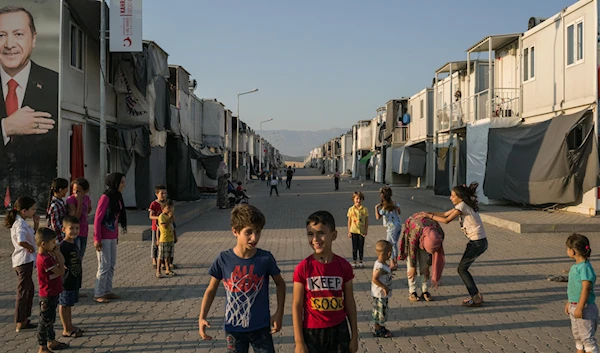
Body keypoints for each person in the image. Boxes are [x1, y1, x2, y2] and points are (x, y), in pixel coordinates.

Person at [199, 205, 286, 353]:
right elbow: (211, 289)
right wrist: (202, 317)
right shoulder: (223, 259)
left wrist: (279, 313)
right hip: (234, 329)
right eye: (249, 232)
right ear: (235, 231)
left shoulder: (265, 258)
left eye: (258, 232)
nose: (254, 237)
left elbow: (280, 284)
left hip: (261, 327)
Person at [0, 7, 59, 215]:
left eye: (18, 34)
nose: (9, 45)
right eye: (1, 35)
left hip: (36, 202)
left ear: (33, 39)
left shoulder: (56, 85)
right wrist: (5, 127)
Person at [292, 210, 358, 353]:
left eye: (321, 233)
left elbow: (350, 302)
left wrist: (355, 336)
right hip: (312, 332)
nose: (315, 239)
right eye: (310, 234)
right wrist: (299, 342)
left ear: (333, 235)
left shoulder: (343, 266)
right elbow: (297, 305)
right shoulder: (303, 268)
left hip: (339, 330)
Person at [422, 182, 487, 307]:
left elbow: (446, 220)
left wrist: (430, 216)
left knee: (462, 269)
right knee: (463, 268)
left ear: (460, 197)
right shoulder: (463, 204)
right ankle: (476, 295)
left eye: (452, 196)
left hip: (477, 243)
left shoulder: (462, 205)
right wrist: (428, 213)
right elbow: (445, 214)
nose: (450, 198)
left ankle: (476, 297)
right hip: (477, 242)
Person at [93, 173, 127, 304]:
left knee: (111, 264)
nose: (124, 185)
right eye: (122, 182)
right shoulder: (105, 197)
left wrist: (117, 236)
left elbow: (117, 218)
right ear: (115, 183)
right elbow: (97, 219)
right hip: (104, 237)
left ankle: (107, 290)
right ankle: (98, 293)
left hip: (112, 236)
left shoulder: (117, 197)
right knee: (104, 265)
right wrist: (97, 238)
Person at [6, 196, 38, 332]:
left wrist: (36, 224)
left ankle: (25, 318)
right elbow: (21, 240)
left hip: (26, 260)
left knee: (29, 289)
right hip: (23, 260)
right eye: (33, 209)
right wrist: (28, 247)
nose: (34, 212)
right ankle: (20, 320)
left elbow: (32, 235)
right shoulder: (19, 224)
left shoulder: (23, 222)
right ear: (24, 211)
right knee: (24, 291)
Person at [35, 227, 69, 352]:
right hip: (47, 294)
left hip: (53, 292)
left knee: (50, 320)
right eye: (53, 242)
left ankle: (51, 341)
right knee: (44, 321)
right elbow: (61, 271)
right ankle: (42, 346)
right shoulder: (45, 259)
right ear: (44, 244)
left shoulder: (48, 255)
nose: (55, 245)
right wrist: (59, 254)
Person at [399, 213, 445, 302]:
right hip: (413, 232)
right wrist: (413, 267)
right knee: (411, 268)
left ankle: (425, 290)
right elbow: (412, 251)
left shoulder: (439, 233)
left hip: (427, 236)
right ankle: (412, 291)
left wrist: (427, 265)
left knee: (425, 266)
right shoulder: (415, 231)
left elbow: (433, 252)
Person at [565, 233, 598, 353]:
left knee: (587, 339)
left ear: (573, 251)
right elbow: (574, 288)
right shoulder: (576, 266)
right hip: (575, 306)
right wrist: (570, 302)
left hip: (585, 308)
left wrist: (580, 306)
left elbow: (586, 288)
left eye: (567, 248)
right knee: (578, 337)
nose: (567, 251)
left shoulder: (585, 267)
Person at [58, 216, 83, 338]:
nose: (74, 231)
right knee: (64, 304)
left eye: (77, 228)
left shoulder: (75, 243)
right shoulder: (62, 246)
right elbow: (57, 260)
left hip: (74, 279)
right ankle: (66, 328)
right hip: (65, 281)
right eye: (71, 228)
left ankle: (70, 325)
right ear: (64, 229)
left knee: (69, 305)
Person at [375, 186, 401, 271]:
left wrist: (376, 208)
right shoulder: (394, 203)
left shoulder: (384, 207)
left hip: (391, 227)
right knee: (394, 244)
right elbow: (399, 212)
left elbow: (377, 217)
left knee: (389, 245)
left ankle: (392, 263)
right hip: (398, 225)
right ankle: (395, 261)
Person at [371, 240, 393, 338]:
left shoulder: (380, 263)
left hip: (381, 294)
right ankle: (378, 329)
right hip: (380, 294)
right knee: (380, 311)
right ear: (389, 254)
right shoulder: (380, 266)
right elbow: (374, 279)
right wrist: (384, 286)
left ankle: (380, 327)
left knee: (380, 310)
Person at [66, 178, 92, 261]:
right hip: (74, 231)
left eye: (78, 191)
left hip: (84, 230)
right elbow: (75, 217)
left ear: (85, 191)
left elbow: (89, 209)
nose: (75, 193)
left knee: (81, 255)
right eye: (74, 190)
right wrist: (79, 202)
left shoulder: (87, 199)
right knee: (74, 256)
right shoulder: (71, 200)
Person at [156, 200, 177, 278]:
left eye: (171, 208)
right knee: (161, 256)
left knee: (168, 256)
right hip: (163, 239)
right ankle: (158, 271)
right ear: (163, 208)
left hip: (170, 239)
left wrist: (175, 236)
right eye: (168, 208)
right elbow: (164, 226)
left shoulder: (170, 216)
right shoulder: (161, 216)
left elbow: (173, 225)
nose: (170, 210)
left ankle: (168, 269)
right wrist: (169, 218)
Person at [347, 191, 368, 268]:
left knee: (361, 246)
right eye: (357, 198)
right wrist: (349, 231)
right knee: (354, 247)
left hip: (361, 231)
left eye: (360, 199)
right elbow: (349, 221)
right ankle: (354, 261)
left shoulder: (365, 209)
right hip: (354, 230)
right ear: (353, 199)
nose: (358, 200)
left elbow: (366, 221)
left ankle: (361, 261)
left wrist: (366, 230)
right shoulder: (351, 209)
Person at [148, 185, 167, 268]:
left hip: (164, 228)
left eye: (165, 193)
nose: (163, 195)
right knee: (155, 244)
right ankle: (154, 259)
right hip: (155, 228)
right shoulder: (154, 204)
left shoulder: (166, 203)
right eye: (161, 193)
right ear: (156, 194)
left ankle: (162, 260)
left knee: (162, 244)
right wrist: (159, 218)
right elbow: (151, 216)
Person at [46, 178, 68, 243]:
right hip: (58, 239)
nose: (67, 190)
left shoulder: (61, 202)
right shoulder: (55, 205)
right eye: (66, 188)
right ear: (61, 190)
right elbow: (55, 226)